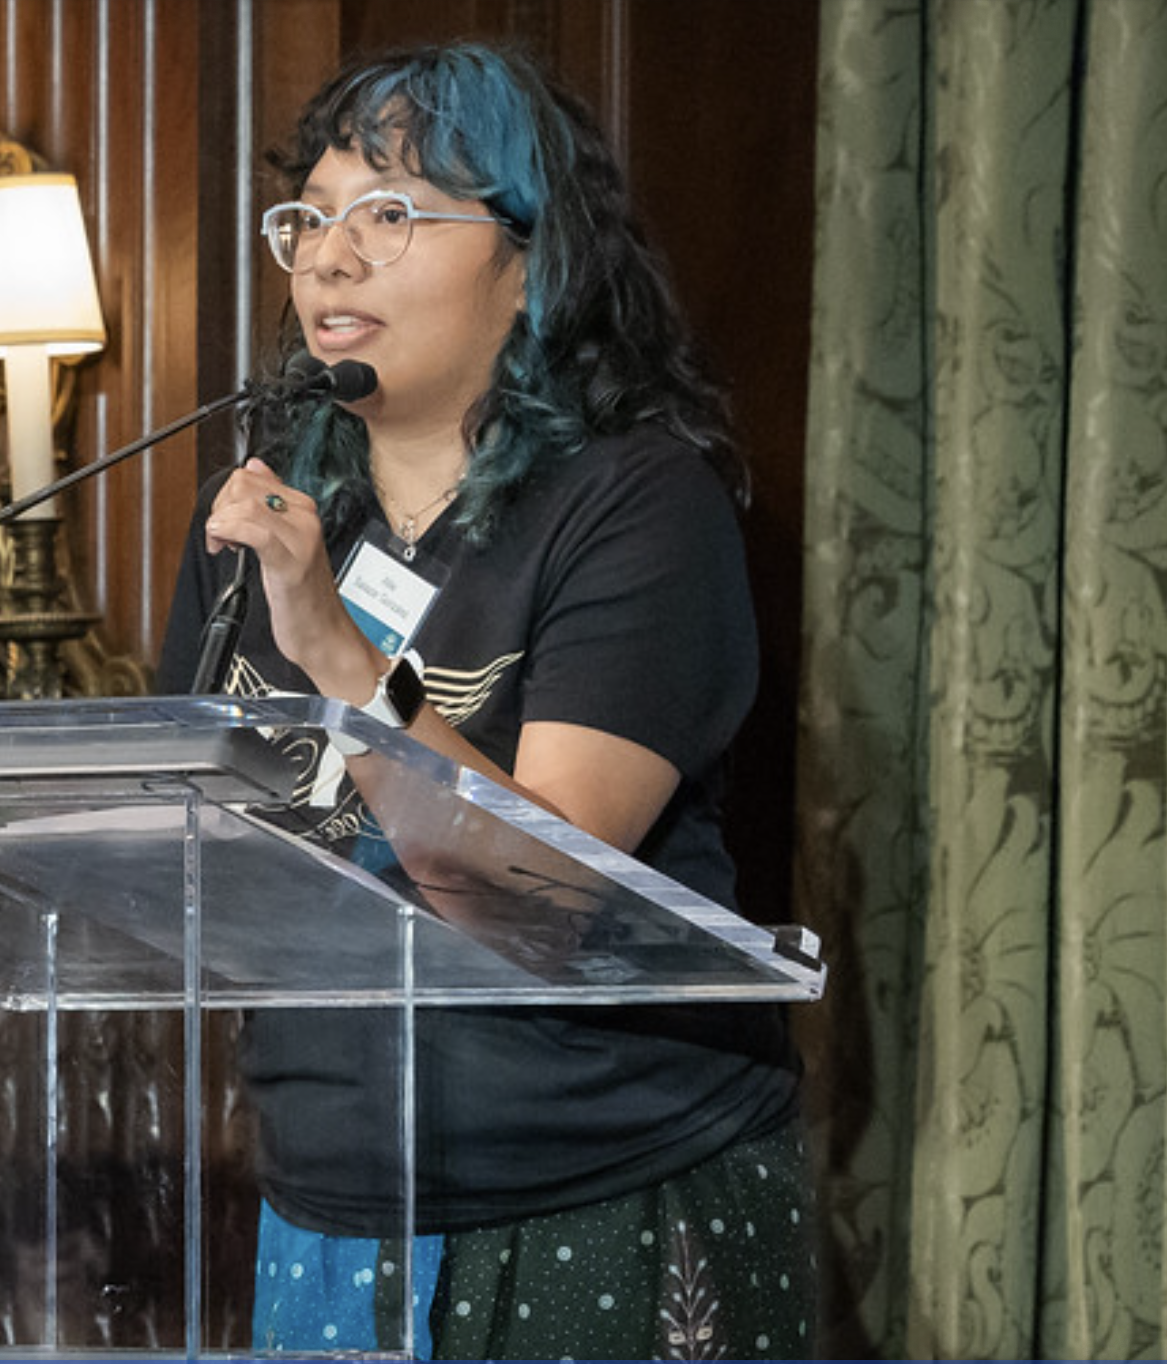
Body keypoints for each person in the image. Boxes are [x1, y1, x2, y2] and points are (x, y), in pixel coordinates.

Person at [155, 41, 813, 1360]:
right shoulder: (267, 516)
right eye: (312, 218)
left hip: (597, 1185)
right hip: (325, 1193)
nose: (330, 259)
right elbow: (191, 858)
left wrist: (342, 657)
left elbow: (534, 897)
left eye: (389, 213)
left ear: (530, 258)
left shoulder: (635, 506)